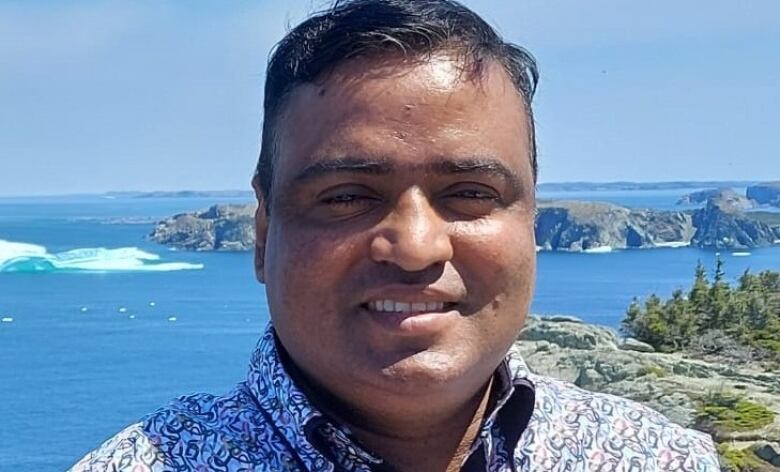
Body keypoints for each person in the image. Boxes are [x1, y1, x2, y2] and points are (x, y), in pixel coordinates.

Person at [70, 1, 720, 471]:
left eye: (470, 195)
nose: (415, 247)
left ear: (530, 222)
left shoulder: (656, 457)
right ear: (263, 233)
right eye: (347, 197)